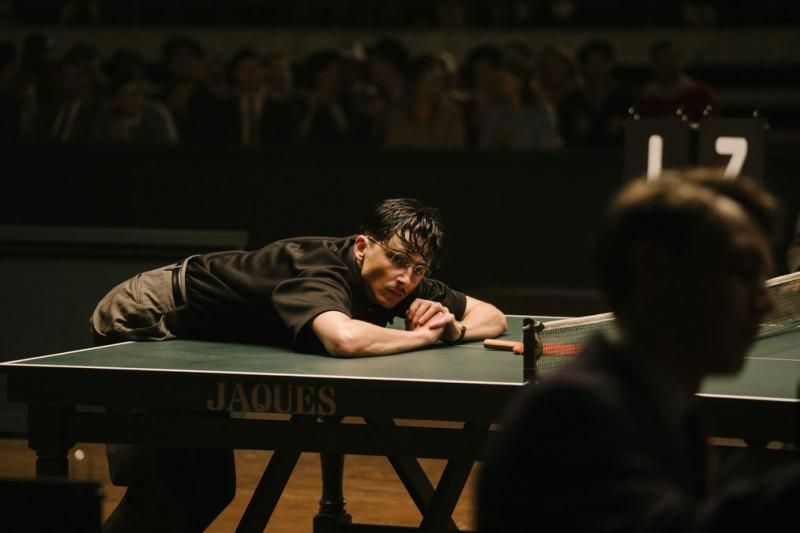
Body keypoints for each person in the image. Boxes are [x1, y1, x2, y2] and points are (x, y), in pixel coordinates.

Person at [92, 197, 507, 531]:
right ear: (362, 247)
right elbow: (343, 339)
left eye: (419, 269)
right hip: (147, 317)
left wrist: (454, 328)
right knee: (168, 491)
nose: (407, 279)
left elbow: (492, 317)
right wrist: (425, 336)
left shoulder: (397, 282)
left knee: (210, 490)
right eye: (398, 260)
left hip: (199, 339)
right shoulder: (321, 272)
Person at [478, 170, 800, 532]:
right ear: (654, 270)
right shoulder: (569, 417)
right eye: (743, 271)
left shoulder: (667, 406)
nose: (765, 303)